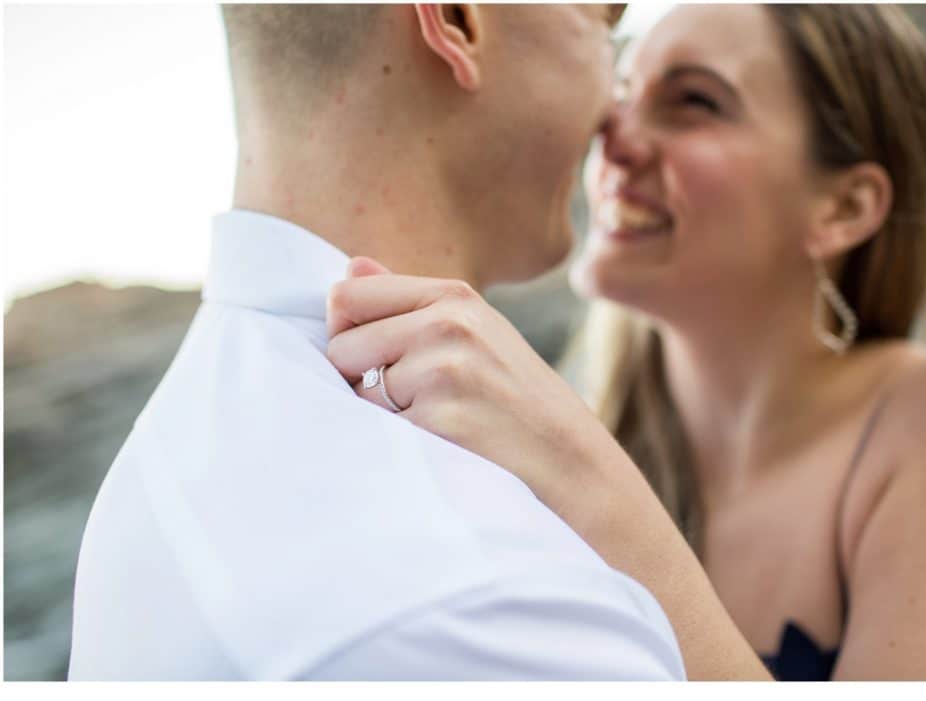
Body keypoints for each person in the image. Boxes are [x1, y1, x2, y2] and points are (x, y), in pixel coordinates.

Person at [325, 4, 926, 680]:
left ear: (843, 208)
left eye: (694, 101)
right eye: (623, 90)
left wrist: (585, 477)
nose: (611, 131)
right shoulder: (594, 435)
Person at [68, 4, 687, 680]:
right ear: (456, 19)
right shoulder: (482, 599)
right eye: (603, 18)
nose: (616, 109)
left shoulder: (159, 456)